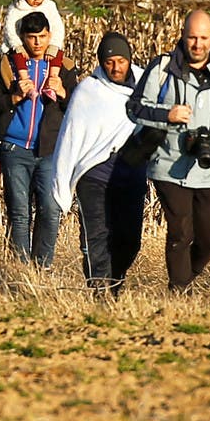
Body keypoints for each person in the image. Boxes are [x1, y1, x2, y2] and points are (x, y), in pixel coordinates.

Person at [129, 11, 210, 293]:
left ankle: (185, 281)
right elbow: (135, 108)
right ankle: (178, 292)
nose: (197, 44)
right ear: (182, 35)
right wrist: (168, 115)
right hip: (169, 164)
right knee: (180, 232)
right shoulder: (162, 68)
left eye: (203, 38)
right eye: (192, 37)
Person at [48, 31, 150, 293]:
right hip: (95, 175)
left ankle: (116, 280)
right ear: (101, 63)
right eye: (109, 62)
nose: (116, 67)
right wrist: (61, 184)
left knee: (129, 240)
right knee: (97, 236)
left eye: (121, 61)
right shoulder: (88, 91)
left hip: (131, 173)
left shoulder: (147, 86)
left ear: (129, 60)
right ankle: (99, 290)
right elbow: (70, 136)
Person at [0, 11, 68, 264]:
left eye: (42, 36)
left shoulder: (64, 67)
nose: (38, 43)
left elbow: (77, 109)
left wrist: (63, 93)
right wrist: (14, 97)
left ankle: (42, 267)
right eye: (32, 37)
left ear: (50, 35)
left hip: (50, 151)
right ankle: (19, 270)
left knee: (50, 211)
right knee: (19, 213)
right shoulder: (8, 67)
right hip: (14, 149)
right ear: (22, 38)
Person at [0, 0, 68, 55]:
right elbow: (10, 30)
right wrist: (17, 46)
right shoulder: (16, 8)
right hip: (19, 50)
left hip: (46, 51)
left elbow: (58, 28)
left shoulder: (49, 7)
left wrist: (54, 45)